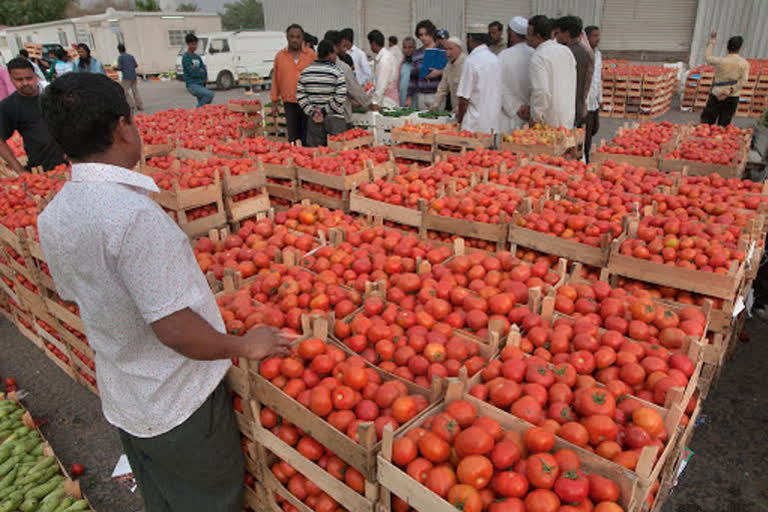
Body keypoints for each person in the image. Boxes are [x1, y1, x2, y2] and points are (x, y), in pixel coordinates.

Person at [37, 72, 292, 511]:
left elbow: (75, 294)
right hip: (179, 403)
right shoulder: (132, 215)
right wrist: (244, 344)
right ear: (122, 126)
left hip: (127, 395)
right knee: (208, 500)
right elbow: (175, 330)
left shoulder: (54, 215)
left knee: (164, 499)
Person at [0, 58, 66, 173]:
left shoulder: (54, 95)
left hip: (72, 162)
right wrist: (20, 171)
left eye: (29, 78)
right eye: (19, 79)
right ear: (10, 79)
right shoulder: (9, 106)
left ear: (35, 75)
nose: (25, 83)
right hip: (42, 169)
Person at [525, 15, 576, 129]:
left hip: (549, 121)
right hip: (567, 117)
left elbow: (541, 91)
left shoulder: (539, 57)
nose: (526, 37)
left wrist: (536, 117)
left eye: (528, 33)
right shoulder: (566, 51)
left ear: (537, 36)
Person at [296, 40, 347, 147]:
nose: (335, 56)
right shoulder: (338, 72)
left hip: (314, 120)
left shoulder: (305, 72)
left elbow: (300, 96)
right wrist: (324, 112)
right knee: (338, 154)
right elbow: (340, 98)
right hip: (334, 119)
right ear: (329, 54)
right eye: (334, 53)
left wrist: (313, 112)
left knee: (316, 155)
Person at [270, 24, 316, 143]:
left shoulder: (311, 55)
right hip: (289, 102)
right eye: (292, 37)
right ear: (287, 38)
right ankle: (295, 159)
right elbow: (275, 79)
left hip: (309, 102)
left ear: (302, 38)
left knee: (309, 135)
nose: (295, 40)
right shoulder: (280, 56)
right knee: (293, 137)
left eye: (298, 37)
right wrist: (274, 102)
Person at [456, 25, 501, 134]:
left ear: (470, 38)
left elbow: (464, 97)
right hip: (493, 123)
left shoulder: (471, 61)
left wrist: (459, 119)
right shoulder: (495, 59)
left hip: (474, 126)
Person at [325, 30, 374, 125]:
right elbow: (354, 88)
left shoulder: (313, 65)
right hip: (338, 116)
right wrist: (368, 104)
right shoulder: (342, 68)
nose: (345, 49)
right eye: (343, 46)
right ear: (335, 47)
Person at [701, 33, 750, 127]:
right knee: (724, 125)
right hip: (732, 96)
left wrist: (712, 42)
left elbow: (707, 58)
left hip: (716, 94)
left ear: (727, 47)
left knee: (706, 123)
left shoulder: (720, 61)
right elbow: (744, 80)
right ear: (739, 48)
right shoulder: (744, 64)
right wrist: (730, 90)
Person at [555, 16, 593, 126]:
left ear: (566, 33)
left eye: (558, 33)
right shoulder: (584, 51)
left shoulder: (567, 52)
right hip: (578, 104)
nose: (556, 37)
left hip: (567, 106)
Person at [499, 16, 534, 132]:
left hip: (509, 115)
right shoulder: (536, 54)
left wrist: (516, 107)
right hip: (531, 115)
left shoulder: (503, 55)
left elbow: (498, 86)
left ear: (512, 33)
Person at [406, 20, 444, 109]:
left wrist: (440, 72)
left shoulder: (442, 50)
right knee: (422, 121)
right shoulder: (417, 53)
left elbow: (451, 71)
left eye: (426, 34)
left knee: (438, 121)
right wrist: (409, 97)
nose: (423, 37)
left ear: (432, 34)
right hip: (421, 95)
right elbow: (413, 78)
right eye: (421, 35)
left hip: (437, 95)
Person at [367, 30, 400, 108]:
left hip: (387, 101)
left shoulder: (385, 59)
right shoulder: (383, 57)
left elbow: (381, 84)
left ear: (373, 44)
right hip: (384, 99)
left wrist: (375, 103)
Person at [432, 37, 465, 113]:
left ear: (459, 49)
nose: (447, 52)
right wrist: (436, 104)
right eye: (446, 49)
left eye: (450, 49)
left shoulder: (466, 64)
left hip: (466, 109)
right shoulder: (448, 65)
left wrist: (460, 108)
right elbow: (443, 87)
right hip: (455, 110)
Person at [181, 33, 214, 108]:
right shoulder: (186, 57)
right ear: (188, 44)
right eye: (193, 44)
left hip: (201, 84)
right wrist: (199, 70)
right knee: (209, 94)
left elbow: (204, 71)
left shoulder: (197, 57)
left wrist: (197, 70)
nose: (195, 47)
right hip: (192, 85)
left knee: (205, 105)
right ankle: (196, 110)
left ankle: (199, 113)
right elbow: (192, 73)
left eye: (196, 45)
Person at [584, 25, 601, 161]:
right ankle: (585, 159)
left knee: (594, 128)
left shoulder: (598, 54)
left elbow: (598, 78)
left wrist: (600, 98)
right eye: (594, 36)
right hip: (585, 102)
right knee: (586, 133)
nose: (597, 39)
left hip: (594, 101)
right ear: (587, 37)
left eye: (598, 36)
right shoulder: (584, 53)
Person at [116, 44, 143, 112]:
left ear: (119, 50)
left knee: (124, 91)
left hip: (126, 76)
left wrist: (114, 68)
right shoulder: (131, 56)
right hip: (134, 75)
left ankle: (131, 105)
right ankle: (140, 105)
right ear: (125, 49)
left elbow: (119, 67)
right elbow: (136, 65)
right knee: (135, 91)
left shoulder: (120, 57)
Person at [398, 37, 417, 107]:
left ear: (415, 48)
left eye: (410, 47)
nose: (407, 50)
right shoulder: (402, 63)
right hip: (402, 100)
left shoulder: (417, 63)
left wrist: (410, 97)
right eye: (404, 47)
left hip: (414, 100)